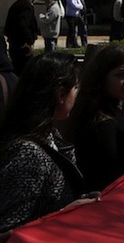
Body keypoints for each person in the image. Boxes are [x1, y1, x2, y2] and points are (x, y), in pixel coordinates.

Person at [0, 53, 98, 234]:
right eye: (76, 88)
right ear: (61, 93)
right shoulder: (27, 153)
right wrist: (63, 214)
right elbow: (9, 231)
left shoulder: (50, 135)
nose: (78, 95)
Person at [65, 43, 124, 192]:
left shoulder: (111, 109)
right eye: (120, 74)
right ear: (102, 77)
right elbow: (107, 179)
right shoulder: (102, 123)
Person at [4, 0, 40, 74]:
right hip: (23, 46)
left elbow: (8, 27)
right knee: (24, 71)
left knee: (17, 69)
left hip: (14, 43)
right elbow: (23, 25)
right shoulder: (25, 6)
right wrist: (29, 42)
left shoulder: (16, 5)